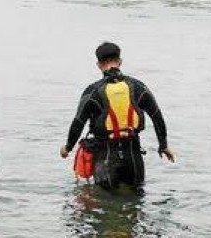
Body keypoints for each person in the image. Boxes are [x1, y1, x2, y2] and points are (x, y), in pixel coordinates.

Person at [60, 42, 174, 190]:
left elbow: (78, 123)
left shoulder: (93, 92)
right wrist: (163, 145)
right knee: (136, 205)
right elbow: (157, 116)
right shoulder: (139, 87)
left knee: (105, 204)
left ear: (99, 64)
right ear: (120, 61)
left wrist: (67, 148)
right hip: (133, 157)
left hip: (105, 158)